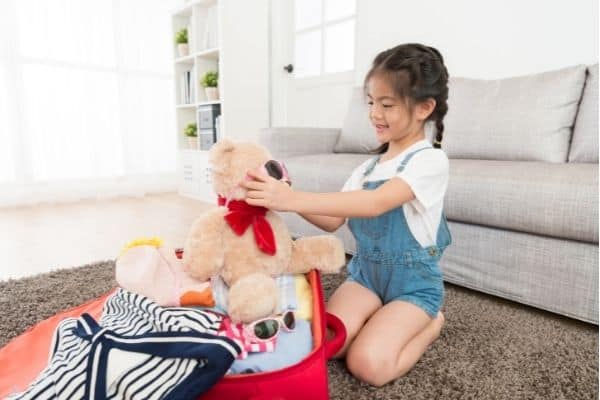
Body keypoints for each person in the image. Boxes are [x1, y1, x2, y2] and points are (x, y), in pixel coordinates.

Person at [241, 43, 451, 387]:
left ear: (424, 108)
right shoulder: (367, 168)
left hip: (413, 287)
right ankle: (379, 318)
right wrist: (281, 197)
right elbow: (333, 220)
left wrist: (293, 198)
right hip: (366, 277)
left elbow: (376, 204)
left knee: (367, 365)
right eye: (370, 102)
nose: (374, 114)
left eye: (387, 105)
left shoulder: (429, 161)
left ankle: (431, 324)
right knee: (325, 342)